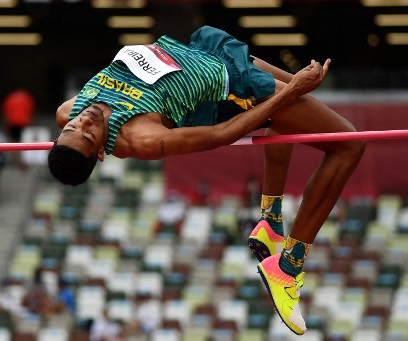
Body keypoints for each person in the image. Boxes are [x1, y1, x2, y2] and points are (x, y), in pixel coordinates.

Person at [48, 26, 365, 335]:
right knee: (348, 144)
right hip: (236, 85)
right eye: (89, 134)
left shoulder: (69, 111)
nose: (84, 120)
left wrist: (292, 90)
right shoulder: (142, 138)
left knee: (289, 115)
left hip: (206, 52)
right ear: (101, 151)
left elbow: (88, 114)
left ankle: (270, 221)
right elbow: (221, 134)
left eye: (73, 128)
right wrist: (293, 89)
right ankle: (288, 268)